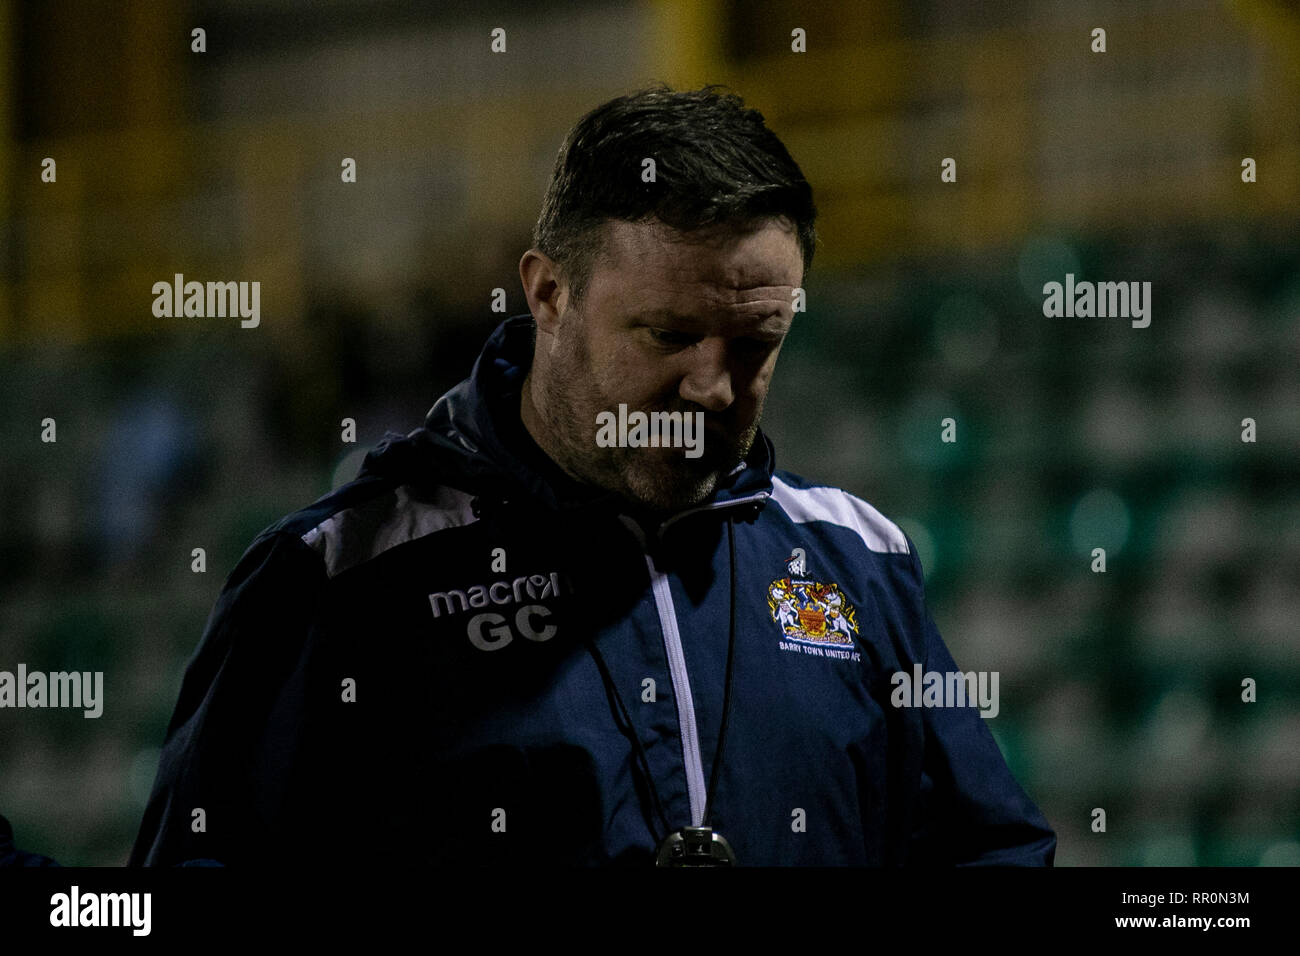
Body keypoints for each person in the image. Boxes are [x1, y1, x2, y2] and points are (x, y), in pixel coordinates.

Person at [130, 83, 1055, 867]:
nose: (712, 386)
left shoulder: (856, 560)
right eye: (670, 334)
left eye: (756, 343)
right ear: (548, 294)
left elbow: (989, 854)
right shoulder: (340, 582)